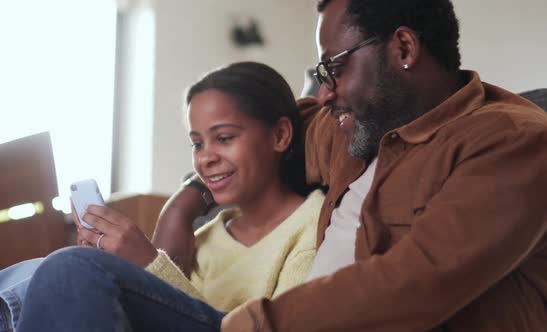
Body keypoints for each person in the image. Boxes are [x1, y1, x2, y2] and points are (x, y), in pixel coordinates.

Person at [16, 0, 547, 331]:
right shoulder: (350, 129)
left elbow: (415, 286)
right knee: (33, 279)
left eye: (333, 68)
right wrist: (184, 204)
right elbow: (260, 136)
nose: (325, 91)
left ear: (404, 49)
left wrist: (249, 323)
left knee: (73, 274)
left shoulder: (512, 142)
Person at [8, 61, 324, 331]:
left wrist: (147, 263)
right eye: (197, 144)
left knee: (69, 267)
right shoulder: (210, 235)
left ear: (280, 135)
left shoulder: (310, 230)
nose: (206, 158)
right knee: (36, 275)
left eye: (224, 138)